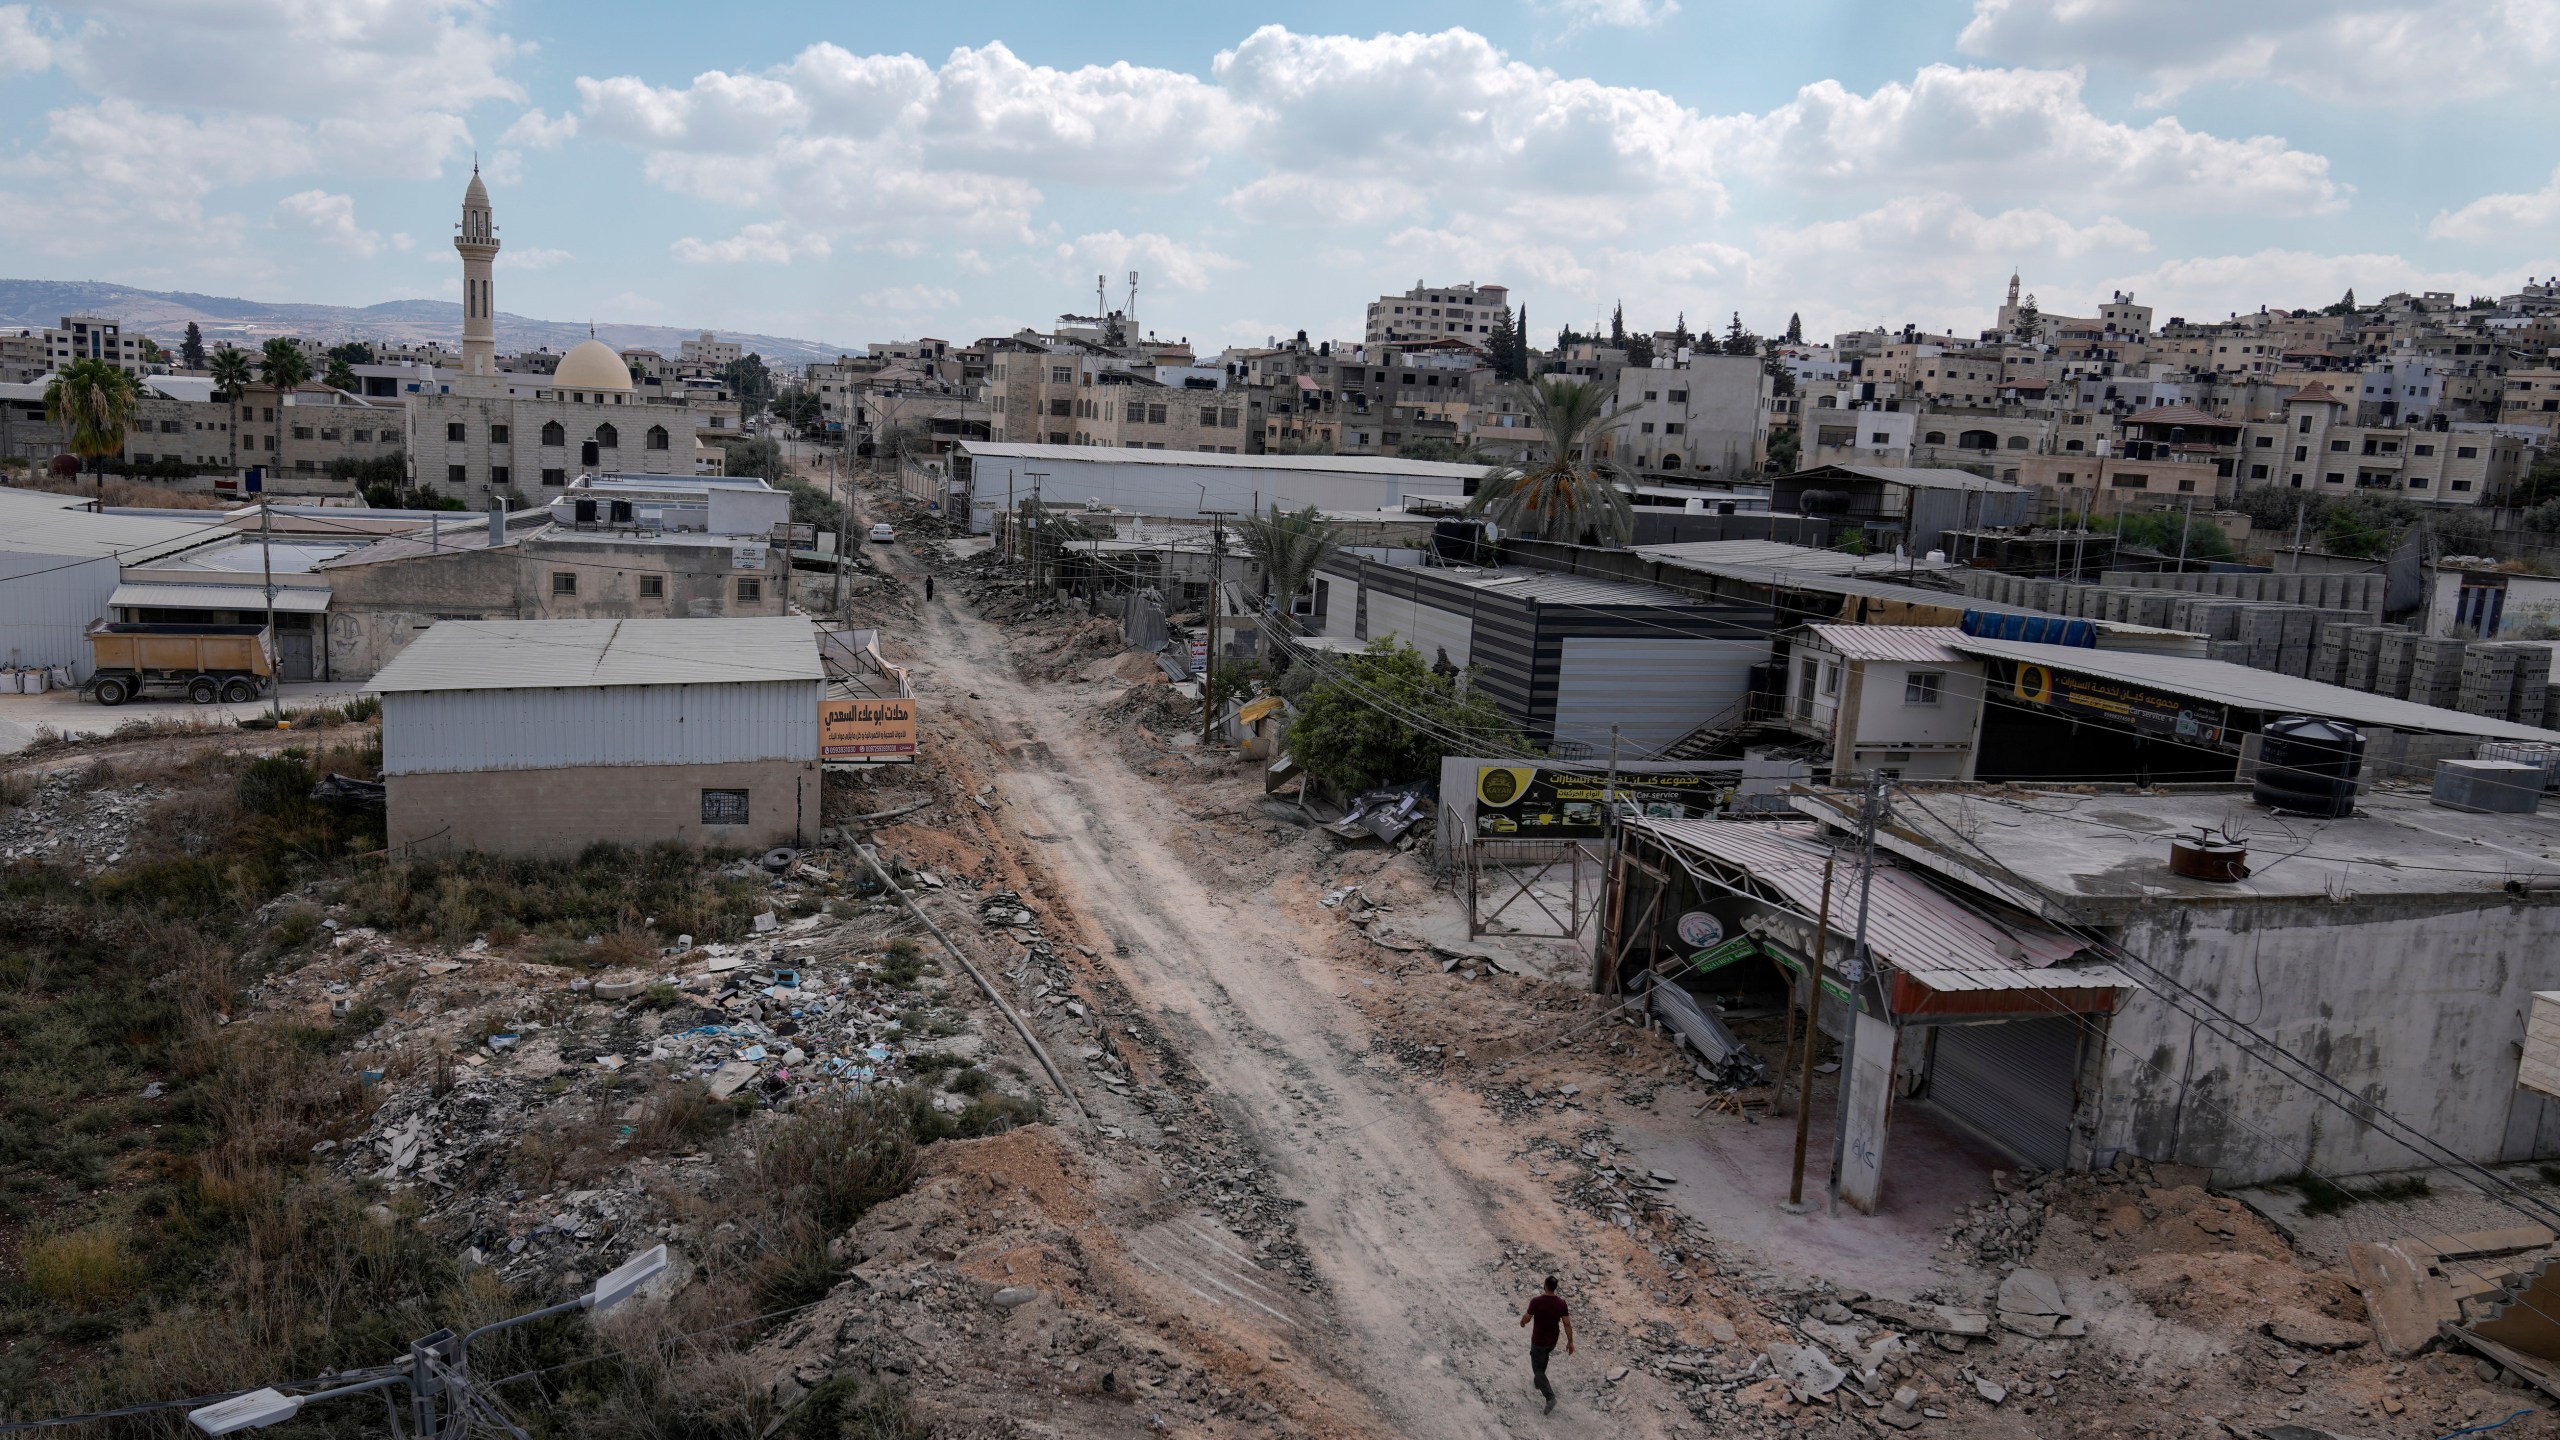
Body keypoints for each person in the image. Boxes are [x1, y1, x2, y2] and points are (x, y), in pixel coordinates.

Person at [1519, 1275, 1574, 1413]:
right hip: (1552, 1342)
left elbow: (1527, 1317)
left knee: (1537, 1369)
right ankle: (1539, 1382)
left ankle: (1550, 1397)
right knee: (1543, 1358)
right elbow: (1567, 1323)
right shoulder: (1562, 1303)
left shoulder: (1537, 1301)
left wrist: (1522, 1322)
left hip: (1539, 1341)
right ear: (1555, 1287)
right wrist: (1570, 1341)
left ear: (1545, 1285)